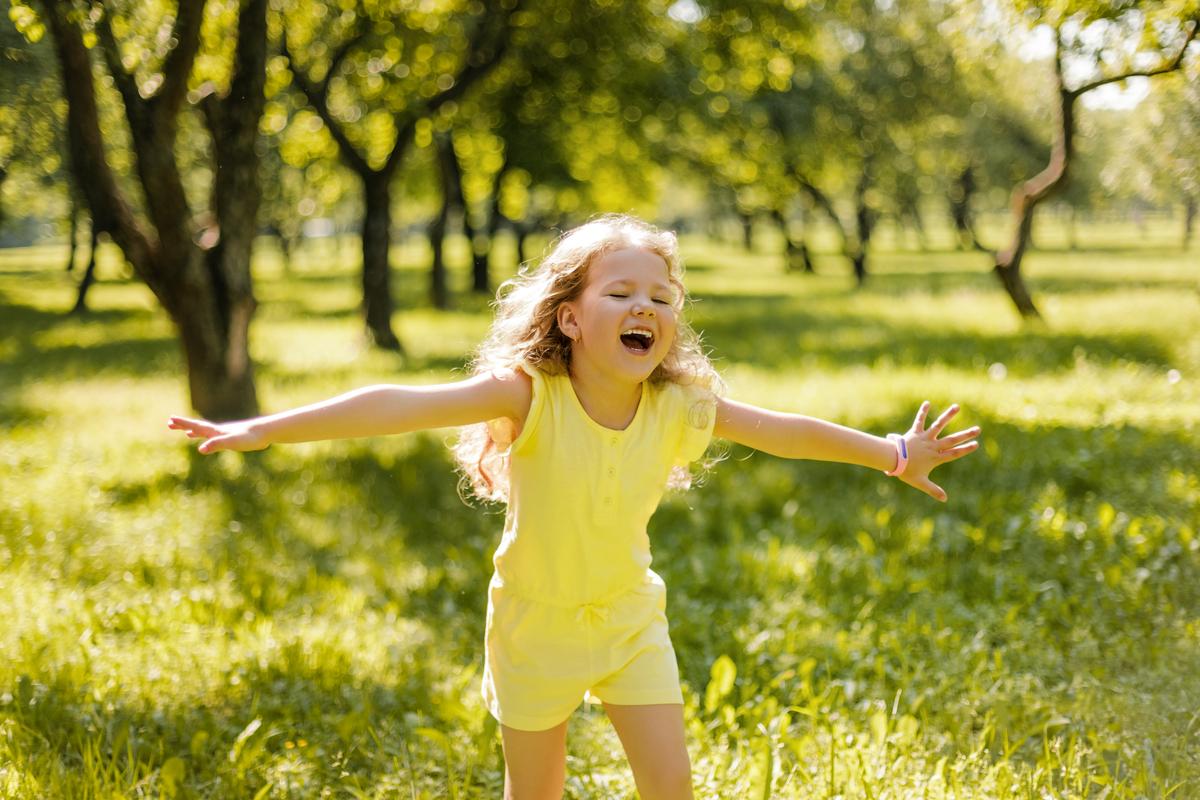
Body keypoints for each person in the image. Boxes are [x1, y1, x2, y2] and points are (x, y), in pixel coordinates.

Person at [168, 214, 980, 800]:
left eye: (662, 298)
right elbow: (400, 403)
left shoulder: (678, 406)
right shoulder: (530, 395)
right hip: (533, 625)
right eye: (620, 292)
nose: (646, 309)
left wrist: (893, 453)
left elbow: (785, 433)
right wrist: (262, 429)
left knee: (672, 789)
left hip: (630, 619)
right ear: (568, 316)